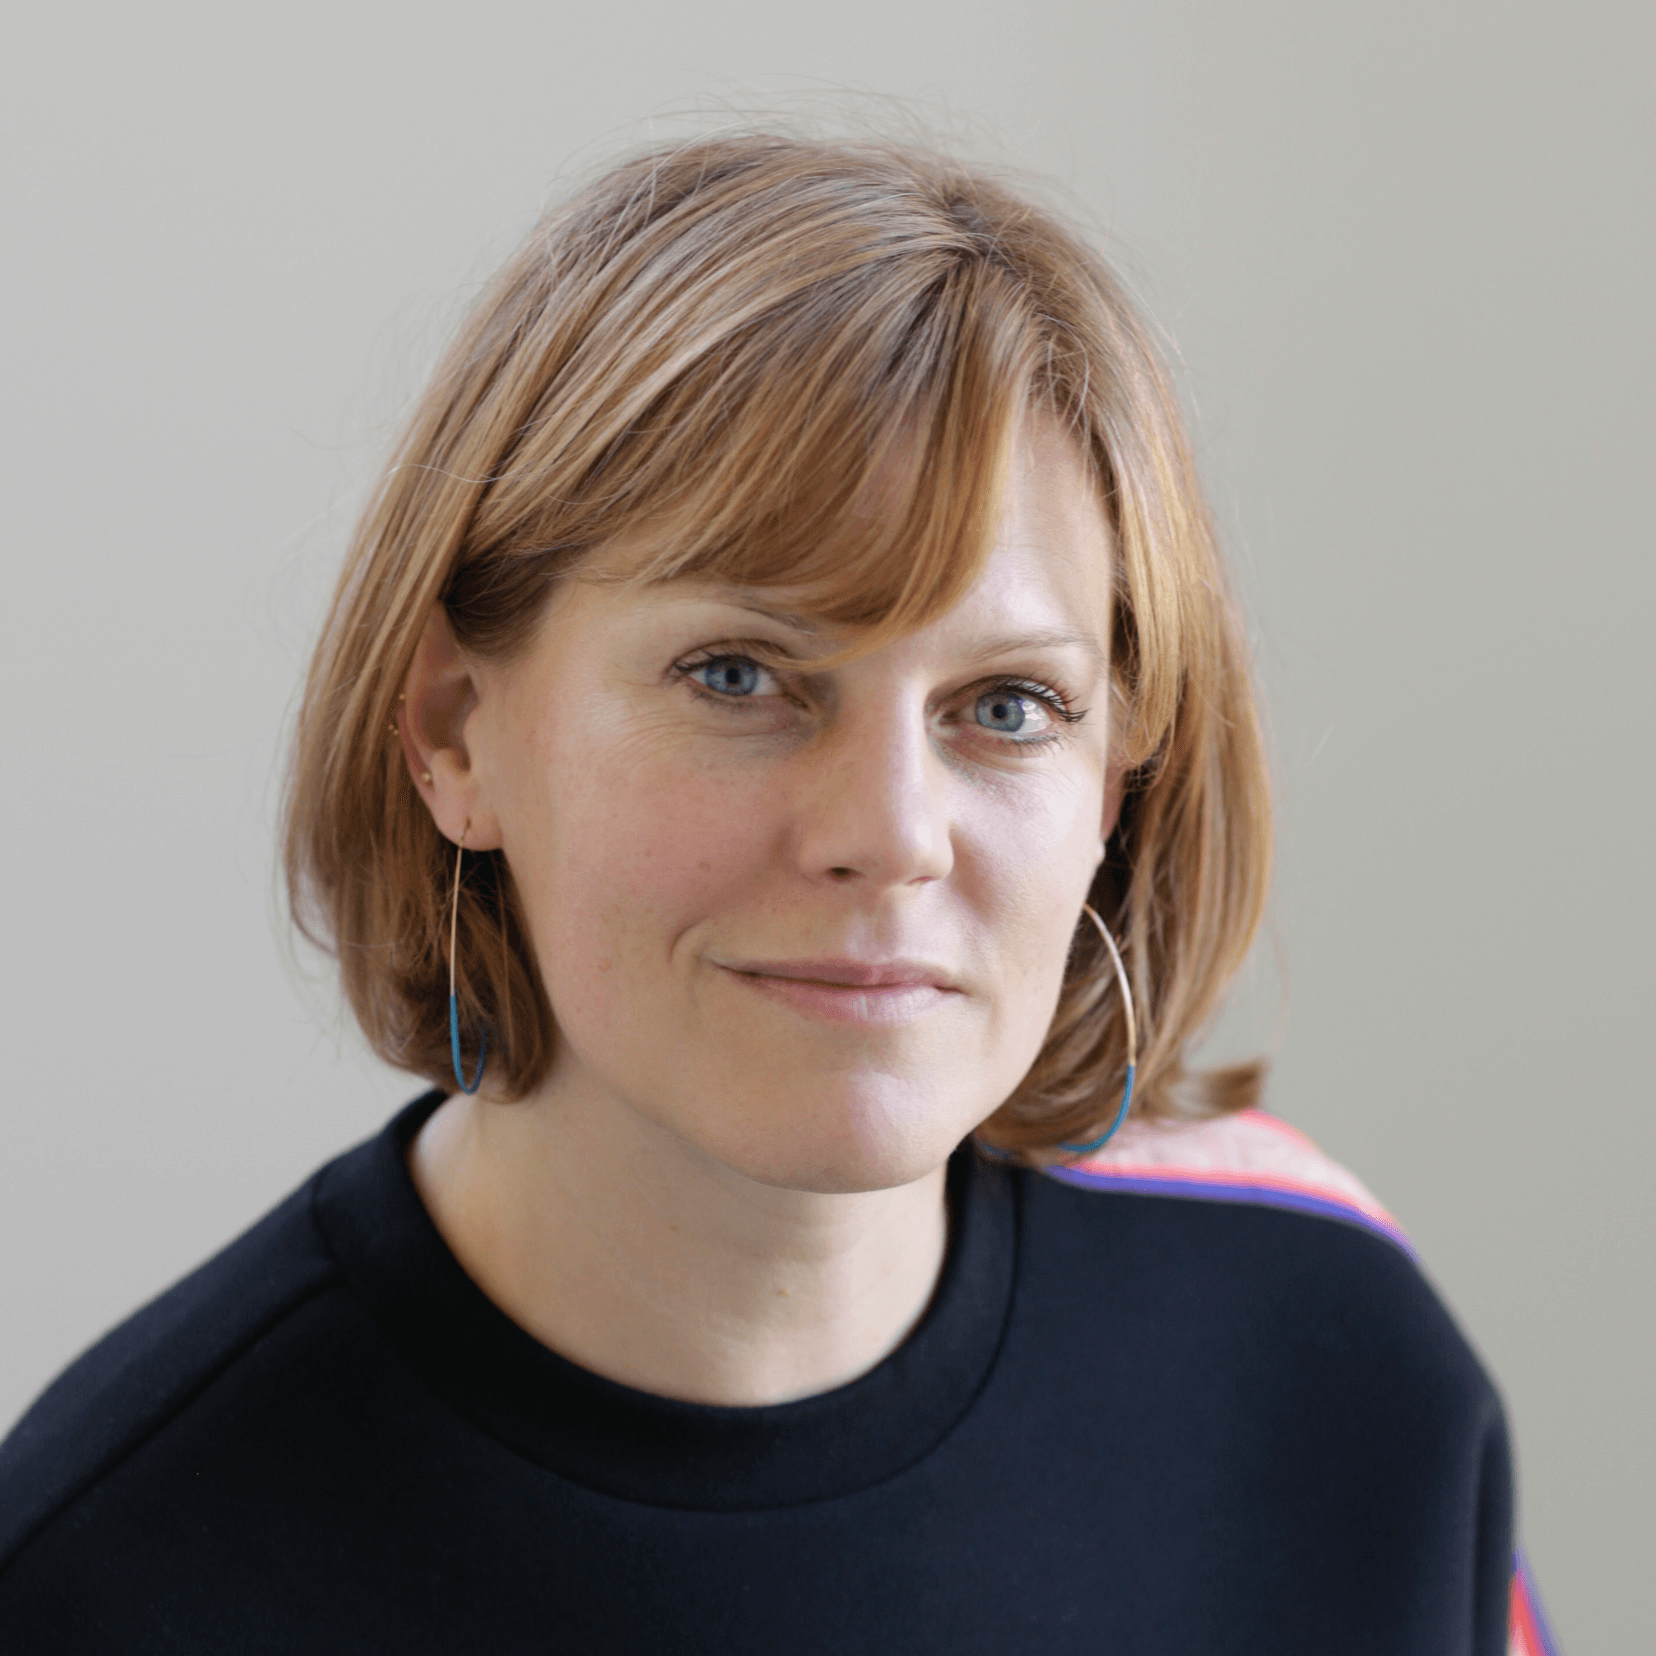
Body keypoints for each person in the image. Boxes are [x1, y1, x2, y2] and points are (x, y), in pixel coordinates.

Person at [0, 130, 1558, 1654]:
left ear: (1115, 778)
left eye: (1006, 704)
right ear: (456, 732)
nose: (889, 834)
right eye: (739, 675)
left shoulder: (1329, 1343)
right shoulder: (105, 1576)